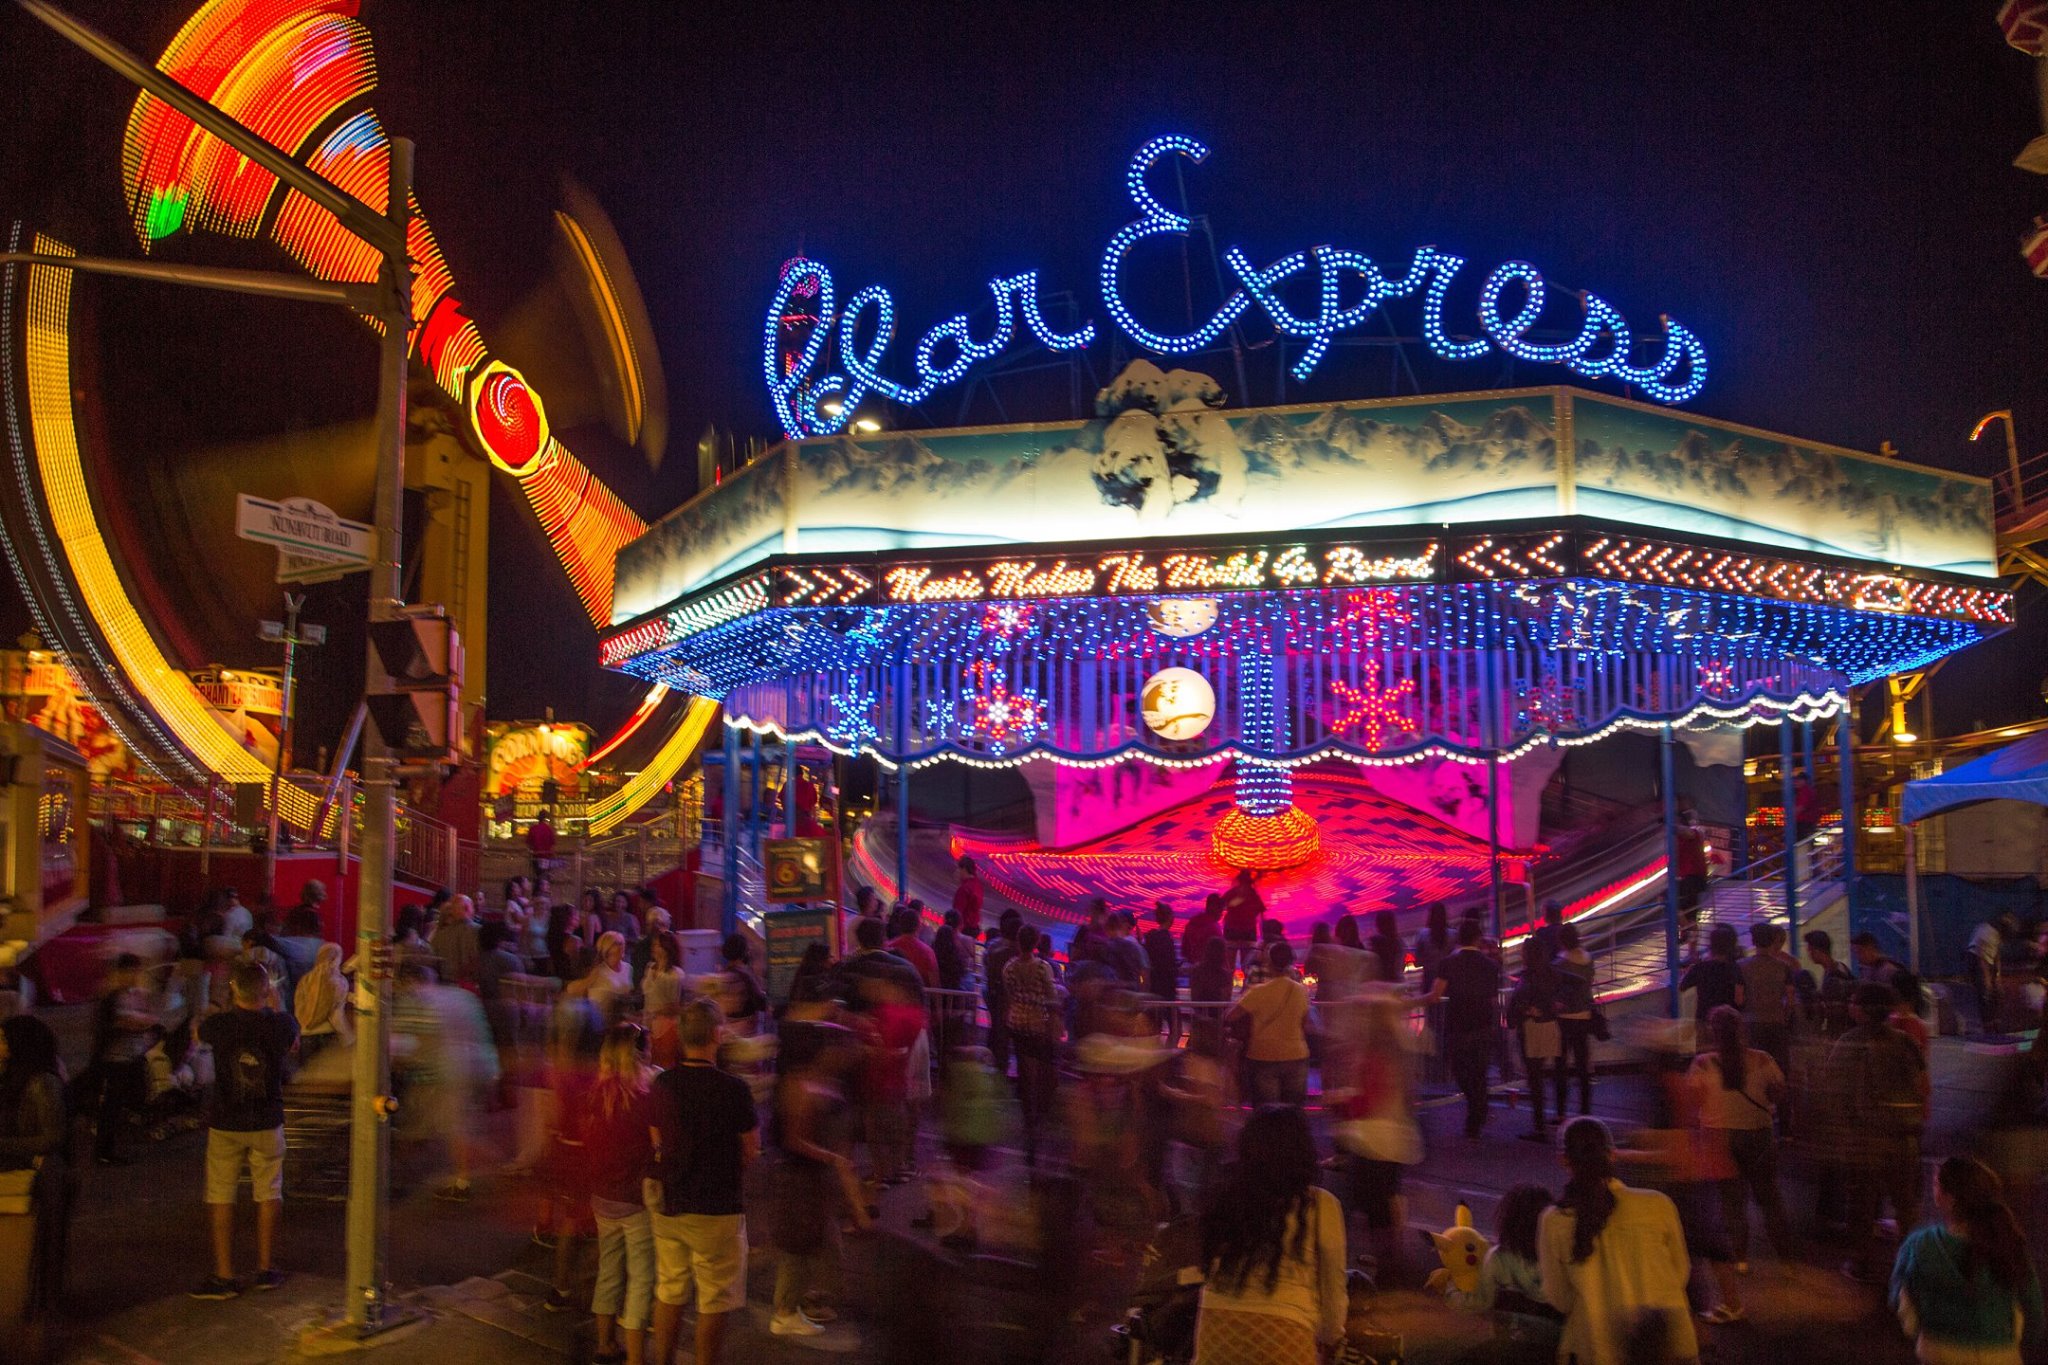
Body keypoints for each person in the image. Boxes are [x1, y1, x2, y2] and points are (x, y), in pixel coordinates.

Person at [647, 999, 759, 1365]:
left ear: (681, 1037)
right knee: (714, 1297)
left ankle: (662, 1358)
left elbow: (656, 1140)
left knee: (670, 1287)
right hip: (717, 1205)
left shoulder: (662, 1083)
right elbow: (751, 1150)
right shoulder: (734, 1089)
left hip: (671, 1203)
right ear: (716, 1036)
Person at [1193, 1104, 1346, 1363]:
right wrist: (1332, 1337)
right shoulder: (1321, 1205)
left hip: (1217, 1331)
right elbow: (1333, 1286)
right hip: (1285, 1335)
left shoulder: (1225, 1198)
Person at [1539, 1117, 1698, 1365]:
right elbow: (1680, 1273)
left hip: (1598, 1348)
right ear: (1612, 1155)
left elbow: (1559, 1297)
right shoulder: (1657, 1204)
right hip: (1667, 1345)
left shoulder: (1555, 1220)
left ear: (1563, 1160)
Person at [191, 959, 299, 1299]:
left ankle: (224, 1275)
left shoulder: (219, 1025)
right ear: (267, 991)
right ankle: (266, 1268)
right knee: (269, 1191)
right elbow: (293, 1042)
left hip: (226, 1120)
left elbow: (198, 1034)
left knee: (221, 1194)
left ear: (234, 989)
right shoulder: (282, 1024)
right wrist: (276, 1001)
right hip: (268, 1119)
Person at [1890, 1156, 2043, 1365]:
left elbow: (1900, 1296)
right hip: (1999, 1354)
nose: (1933, 1190)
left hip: (1939, 1351)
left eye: (1936, 1184)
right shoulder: (2008, 1242)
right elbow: (2032, 1306)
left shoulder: (1920, 1245)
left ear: (1950, 1198)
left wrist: (1919, 1331)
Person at [1828, 982, 1929, 1283]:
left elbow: (1834, 1091)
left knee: (1862, 1206)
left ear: (1861, 1009)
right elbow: (1923, 1087)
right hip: (1903, 1136)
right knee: (1905, 1206)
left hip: (1865, 1139)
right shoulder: (1906, 1042)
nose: (1850, 1006)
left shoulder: (1848, 1042)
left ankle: (1861, 1263)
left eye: (1853, 1002)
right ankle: (1910, 1264)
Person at [1689, 1006, 1791, 1276]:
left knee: (1731, 1200)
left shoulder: (1702, 1063)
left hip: (1718, 1134)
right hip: (1759, 1132)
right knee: (1769, 1196)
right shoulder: (1762, 1059)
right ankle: (1786, 1258)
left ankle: (1740, 1258)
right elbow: (1779, 1091)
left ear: (1713, 1032)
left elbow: (1694, 1101)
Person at [392, 959, 497, 1201]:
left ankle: (405, 1181)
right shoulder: (463, 998)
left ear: (410, 981)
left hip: (434, 1076)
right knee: (455, 1127)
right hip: (468, 1069)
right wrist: (491, 1070)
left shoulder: (416, 1000)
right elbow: (481, 1033)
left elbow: (404, 1042)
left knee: (417, 1128)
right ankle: (462, 1178)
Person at [583, 1023, 656, 1365]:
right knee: (641, 1276)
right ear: (638, 1054)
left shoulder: (596, 1095)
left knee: (609, 1270)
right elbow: (657, 1148)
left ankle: (604, 1343)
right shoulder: (643, 1099)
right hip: (634, 1199)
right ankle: (635, 1355)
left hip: (602, 1197)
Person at [1, 1013, 72, 1320]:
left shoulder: (43, 1082)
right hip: (14, 1157)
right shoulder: (9, 1075)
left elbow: (53, 1138)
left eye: (4, 1039)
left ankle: (48, 1299)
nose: (0, 1045)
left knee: (51, 1175)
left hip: (36, 1162)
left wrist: (5, 1147)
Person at [1424, 918, 1502, 1140]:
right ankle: (1477, 1114)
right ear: (1478, 938)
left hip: (1457, 1024)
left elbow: (1436, 994)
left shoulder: (1448, 963)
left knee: (1461, 1071)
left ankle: (1475, 1113)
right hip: (1483, 1024)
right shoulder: (1490, 966)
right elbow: (1493, 1000)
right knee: (1479, 1072)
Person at [1445, 1184, 1557, 1322]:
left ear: (1507, 1219)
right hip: (1555, 1339)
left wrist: (1450, 1290)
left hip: (1507, 1338)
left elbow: (1479, 1303)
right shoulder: (1558, 1256)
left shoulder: (1497, 1258)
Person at [1004, 924, 1063, 1166]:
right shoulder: (1042, 967)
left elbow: (1010, 993)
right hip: (1038, 1024)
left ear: (1019, 942)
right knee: (1040, 1072)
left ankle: (1028, 1116)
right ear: (1036, 943)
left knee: (1025, 1070)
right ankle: (1038, 1118)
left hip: (1017, 1022)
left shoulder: (1009, 967)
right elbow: (1051, 995)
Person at [1229, 943, 1312, 1106]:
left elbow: (1231, 1016)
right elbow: (1305, 1021)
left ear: (1269, 962)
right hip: (1296, 1055)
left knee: (1265, 1111)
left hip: (1262, 1054)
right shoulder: (1300, 991)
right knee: (1293, 1111)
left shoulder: (1258, 992)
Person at [1738, 924, 1796, 1075]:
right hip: (1777, 1023)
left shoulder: (1742, 966)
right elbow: (1790, 1000)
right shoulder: (1784, 967)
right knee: (1778, 1070)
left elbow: (1738, 998)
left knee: (1754, 1070)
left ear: (1753, 941)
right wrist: (1784, 1017)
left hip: (1751, 1023)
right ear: (1772, 941)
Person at [1553, 925, 1597, 1119]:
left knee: (1561, 1066)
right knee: (1582, 1065)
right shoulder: (1588, 959)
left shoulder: (1559, 963)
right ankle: (1585, 1109)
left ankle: (1561, 1112)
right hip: (1584, 1016)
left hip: (1564, 1018)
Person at [1679, 924, 1744, 1042]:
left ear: (1712, 945)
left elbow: (1682, 986)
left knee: (1705, 1055)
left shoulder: (1700, 967)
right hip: (1728, 1022)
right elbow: (1739, 999)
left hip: (1704, 1020)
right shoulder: (1736, 968)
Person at [292, 941, 352, 1065]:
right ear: (337, 959)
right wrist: (348, 1038)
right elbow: (336, 1015)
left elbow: (298, 1008)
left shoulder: (305, 980)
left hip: (306, 1037)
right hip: (327, 1036)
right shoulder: (338, 981)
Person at [982, 911, 1021, 1078]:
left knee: (998, 1037)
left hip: (997, 998)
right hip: (1015, 1003)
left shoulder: (994, 948)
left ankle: (996, 1072)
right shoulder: (1020, 954)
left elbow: (989, 975)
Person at [640, 931, 687, 1068]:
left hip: (665, 1026)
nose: (654, 948)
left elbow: (675, 1006)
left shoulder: (675, 974)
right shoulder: (650, 967)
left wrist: (655, 1012)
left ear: (667, 948)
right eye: (654, 945)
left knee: (665, 1064)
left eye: (658, 945)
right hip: (648, 1023)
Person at [1965, 914, 2014, 1034]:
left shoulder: (1997, 935)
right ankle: (1986, 1024)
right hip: (1976, 958)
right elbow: (1982, 959)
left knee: (1997, 991)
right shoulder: (1987, 934)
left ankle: (1995, 1021)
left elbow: (1997, 956)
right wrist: (1986, 980)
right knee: (1985, 992)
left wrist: (1997, 976)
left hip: (1986, 960)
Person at [1142, 902, 1181, 1046]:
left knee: (1155, 1027)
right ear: (1170, 918)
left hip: (1154, 987)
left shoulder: (1151, 937)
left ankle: (1155, 1055)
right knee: (1176, 1029)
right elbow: (1168, 965)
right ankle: (1168, 1057)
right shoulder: (1166, 938)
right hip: (1167, 989)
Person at [1805, 930, 1857, 1038]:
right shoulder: (1838, 968)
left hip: (1840, 1031)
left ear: (1817, 950)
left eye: (1810, 950)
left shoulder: (1834, 975)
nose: (1809, 954)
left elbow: (1836, 1009)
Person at [429, 893, 482, 988]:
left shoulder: (440, 935)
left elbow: (432, 962)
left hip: (445, 988)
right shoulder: (479, 931)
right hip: (471, 988)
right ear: (467, 908)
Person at [1220, 870, 1265, 970]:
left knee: (1229, 967)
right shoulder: (1253, 895)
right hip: (1248, 934)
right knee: (1248, 966)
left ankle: (1228, 984)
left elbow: (1221, 904)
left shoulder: (1233, 893)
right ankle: (1247, 984)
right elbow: (1261, 912)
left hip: (1232, 932)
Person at [886, 907, 939, 990]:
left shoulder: (888, 947)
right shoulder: (927, 952)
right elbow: (935, 985)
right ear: (918, 927)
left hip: (892, 995)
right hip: (918, 998)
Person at [1100, 909, 1149, 989]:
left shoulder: (1110, 946)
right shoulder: (1138, 947)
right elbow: (1144, 976)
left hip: (1115, 994)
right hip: (1131, 995)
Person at [1183, 893, 1225, 969]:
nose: (1222, 914)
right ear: (1217, 910)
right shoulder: (1214, 928)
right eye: (1221, 910)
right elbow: (1221, 955)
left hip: (1193, 968)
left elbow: (1185, 949)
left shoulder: (1192, 923)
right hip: (1210, 971)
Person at [1367, 909, 1407, 984]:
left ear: (1378, 925)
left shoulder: (1374, 942)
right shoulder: (1399, 942)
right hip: (1397, 982)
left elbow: (1370, 965)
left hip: (1381, 984)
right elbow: (1401, 965)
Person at [951, 855, 985, 939]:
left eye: (959, 869)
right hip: (974, 927)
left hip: (964, 929)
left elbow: (957, 912)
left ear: (964, 869)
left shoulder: (964, 889)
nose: (957, 872)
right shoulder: (977, 885)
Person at [527, 808, 557, 879]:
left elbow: (529, 843)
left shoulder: (533, 829)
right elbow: (552, 844)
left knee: (537, 875)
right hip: (547, 856)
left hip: (536, 856)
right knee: (545, 875)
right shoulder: (549, 829)